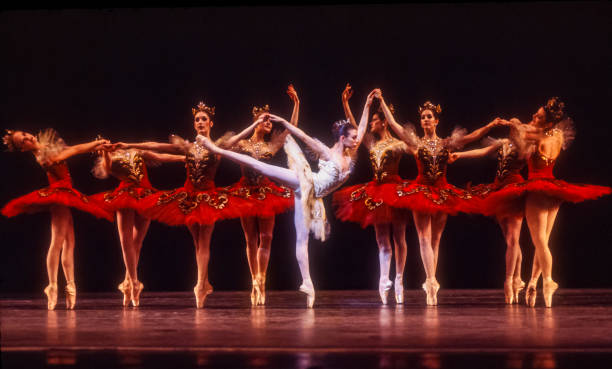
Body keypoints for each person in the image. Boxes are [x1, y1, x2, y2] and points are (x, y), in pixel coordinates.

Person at [196, 90, 373, 308]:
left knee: (302, 240)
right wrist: (283, 121)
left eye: (356, 138)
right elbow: (303, 135)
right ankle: (214, 148)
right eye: (353, 138)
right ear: (342, 138)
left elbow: (362, 128)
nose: (357, 141)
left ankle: (307, 284)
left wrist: (366, 103)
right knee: (259, 165)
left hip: (311, 196)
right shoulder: (328, 153)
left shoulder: (350, 156)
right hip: (305, 181)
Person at [376, 89, 506, 305]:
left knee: (435, 240)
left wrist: (491, 126)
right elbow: (397, 127)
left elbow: (471, 137)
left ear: (436, 121)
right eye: (422, 117)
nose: (425, 120)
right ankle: (431, 281)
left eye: (429, 117)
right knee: (423, 237)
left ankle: (430, 283)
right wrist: (381, 102)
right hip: (420, 191)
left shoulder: (447, 143)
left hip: (442, 192)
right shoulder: (415, 143)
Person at [114, 101, 249, 308]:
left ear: (211, 123)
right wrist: (129, 145)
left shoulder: (218, 145)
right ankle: (203, 281)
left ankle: (200, 286)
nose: (200, 122)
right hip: (188, 197)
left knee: (204, 241)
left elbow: (238, 137)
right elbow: (156, 145)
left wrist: (255, 124)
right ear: (194, 125)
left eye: (204, 119)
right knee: (197, 242)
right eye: (197, 119)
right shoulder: (188, 146)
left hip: (208, 197)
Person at [491, 98, 611, 307]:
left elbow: (521, 131)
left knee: (540, 242)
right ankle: (535, 283)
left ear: (547, 123)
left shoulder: (537, 134)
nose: (534, 117)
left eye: (538, 116)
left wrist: (513, 122)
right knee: (543, 241)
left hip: (538, 189)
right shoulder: (558, 134)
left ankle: (548, 280)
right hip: (553, 189)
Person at [2, 129, 111, 310]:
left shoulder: (46, 147)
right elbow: (74, 150)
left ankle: (70, 285)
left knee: (69, 243)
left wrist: (97, 144)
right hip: (60, 195)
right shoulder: (42, 155)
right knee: (58, 242)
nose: (28, 137)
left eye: (25, 134)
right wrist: (95, 143)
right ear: (23, 149)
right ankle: (53, 285)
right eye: (23, 141)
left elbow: (71, 149)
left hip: (65, 193)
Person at [220, 85, 298, 306]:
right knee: (250, 239)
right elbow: (227, 144)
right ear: (256, 122)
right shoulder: (243, 143)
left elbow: (290, 131)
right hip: (245, 192)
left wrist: (296, 104)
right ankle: (253, 280)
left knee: (267, 238)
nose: (268, 123)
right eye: (265, 121)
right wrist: (254, 123)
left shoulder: (270, 145)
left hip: (266, 193)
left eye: (269, 121)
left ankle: (261, 280)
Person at [333, 84, 410, 304]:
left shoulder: (397, 143)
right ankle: (383, 279)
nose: (373, 124)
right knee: (381, 239)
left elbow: (413, 148)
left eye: (376, 121)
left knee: (400, 238)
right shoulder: (372, 143)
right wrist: (346, 103)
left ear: (384, 122)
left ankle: (399, 279)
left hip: (395, 191)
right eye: (373, 121)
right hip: (376, 192)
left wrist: (382, 103)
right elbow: (357, 128)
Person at [91, 146, 183, 307]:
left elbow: (159, 156)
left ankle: (128, 281)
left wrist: (182, 159)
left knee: (137, 242)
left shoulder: (135, 150)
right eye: (99, 150)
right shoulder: (109, 160)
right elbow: (107, 166)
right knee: (125, 241)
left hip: (146, 195)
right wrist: (105, 152)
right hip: (125, 196)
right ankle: (134, 282)